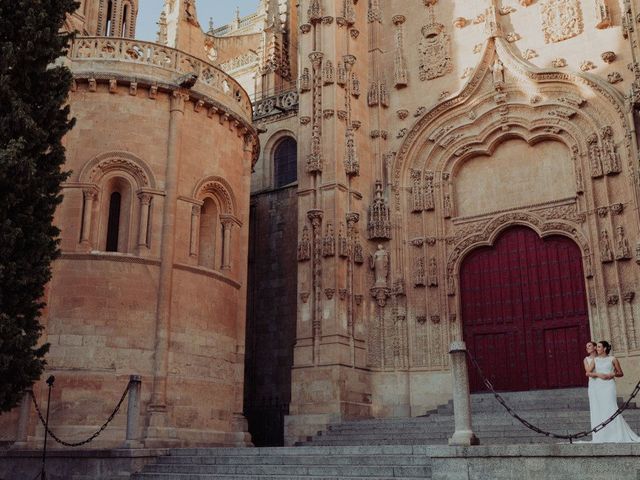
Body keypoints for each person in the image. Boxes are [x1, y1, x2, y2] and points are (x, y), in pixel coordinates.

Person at [585, 340, 640, 442]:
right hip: (598, 386)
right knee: (601, 409)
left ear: (605, 348)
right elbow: (588, 373)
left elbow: (620, 373)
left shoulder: (613, 359)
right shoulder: (595, 360)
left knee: (611, 407)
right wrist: (598, 374)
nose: (597, 349)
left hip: (609, 386)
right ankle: (604, 435)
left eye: (599, 347)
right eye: (597, 347)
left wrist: (612, 374)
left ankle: (616, 433)